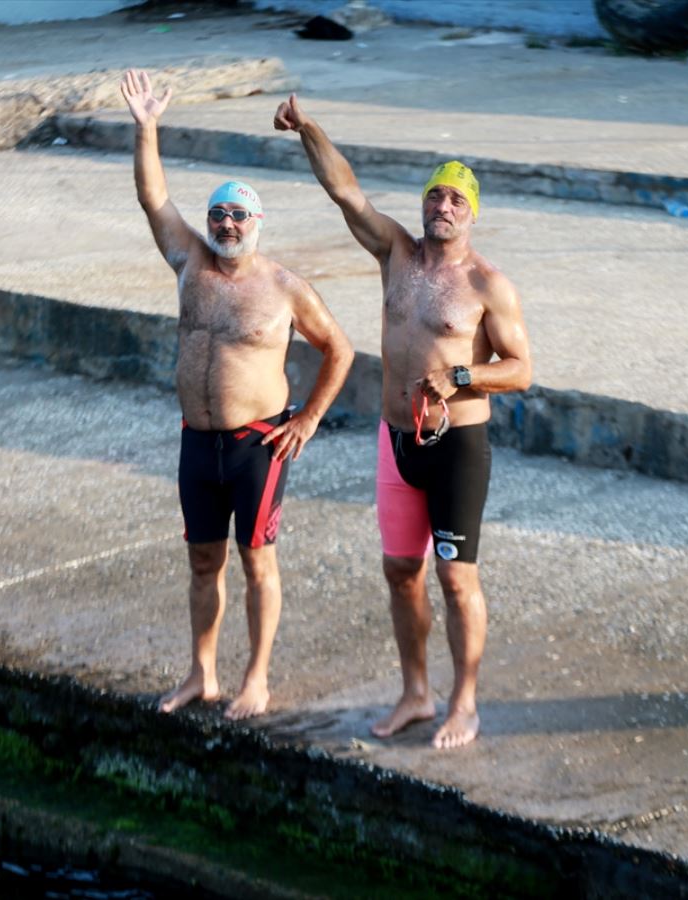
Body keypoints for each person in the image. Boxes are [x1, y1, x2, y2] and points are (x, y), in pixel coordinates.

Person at [275, 94, 533, 749]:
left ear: (472, 213)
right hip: (396, 441)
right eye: (434, 197)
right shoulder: (396, 253)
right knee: (400, 572)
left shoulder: (487, 285)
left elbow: (521, 368)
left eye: (456, 200)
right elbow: (346, 192)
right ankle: (416, 693)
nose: (442, 207)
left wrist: (464, 376)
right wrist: (307, 128)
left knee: (455, 576)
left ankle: (464, 703)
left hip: (456, 445)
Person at [122, 70, 353, 721]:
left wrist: (308, 418)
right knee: (202, 562)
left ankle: (256, 679)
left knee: (258, 564)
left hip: (258, 445)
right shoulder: (190, 264)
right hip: (198, 442)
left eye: (239, 215)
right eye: (218, 214)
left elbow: (340, 349)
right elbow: (152, 198)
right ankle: (202, 675)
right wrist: (146, 127)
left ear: (259, 223)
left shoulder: (284, 287)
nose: (226, 224)